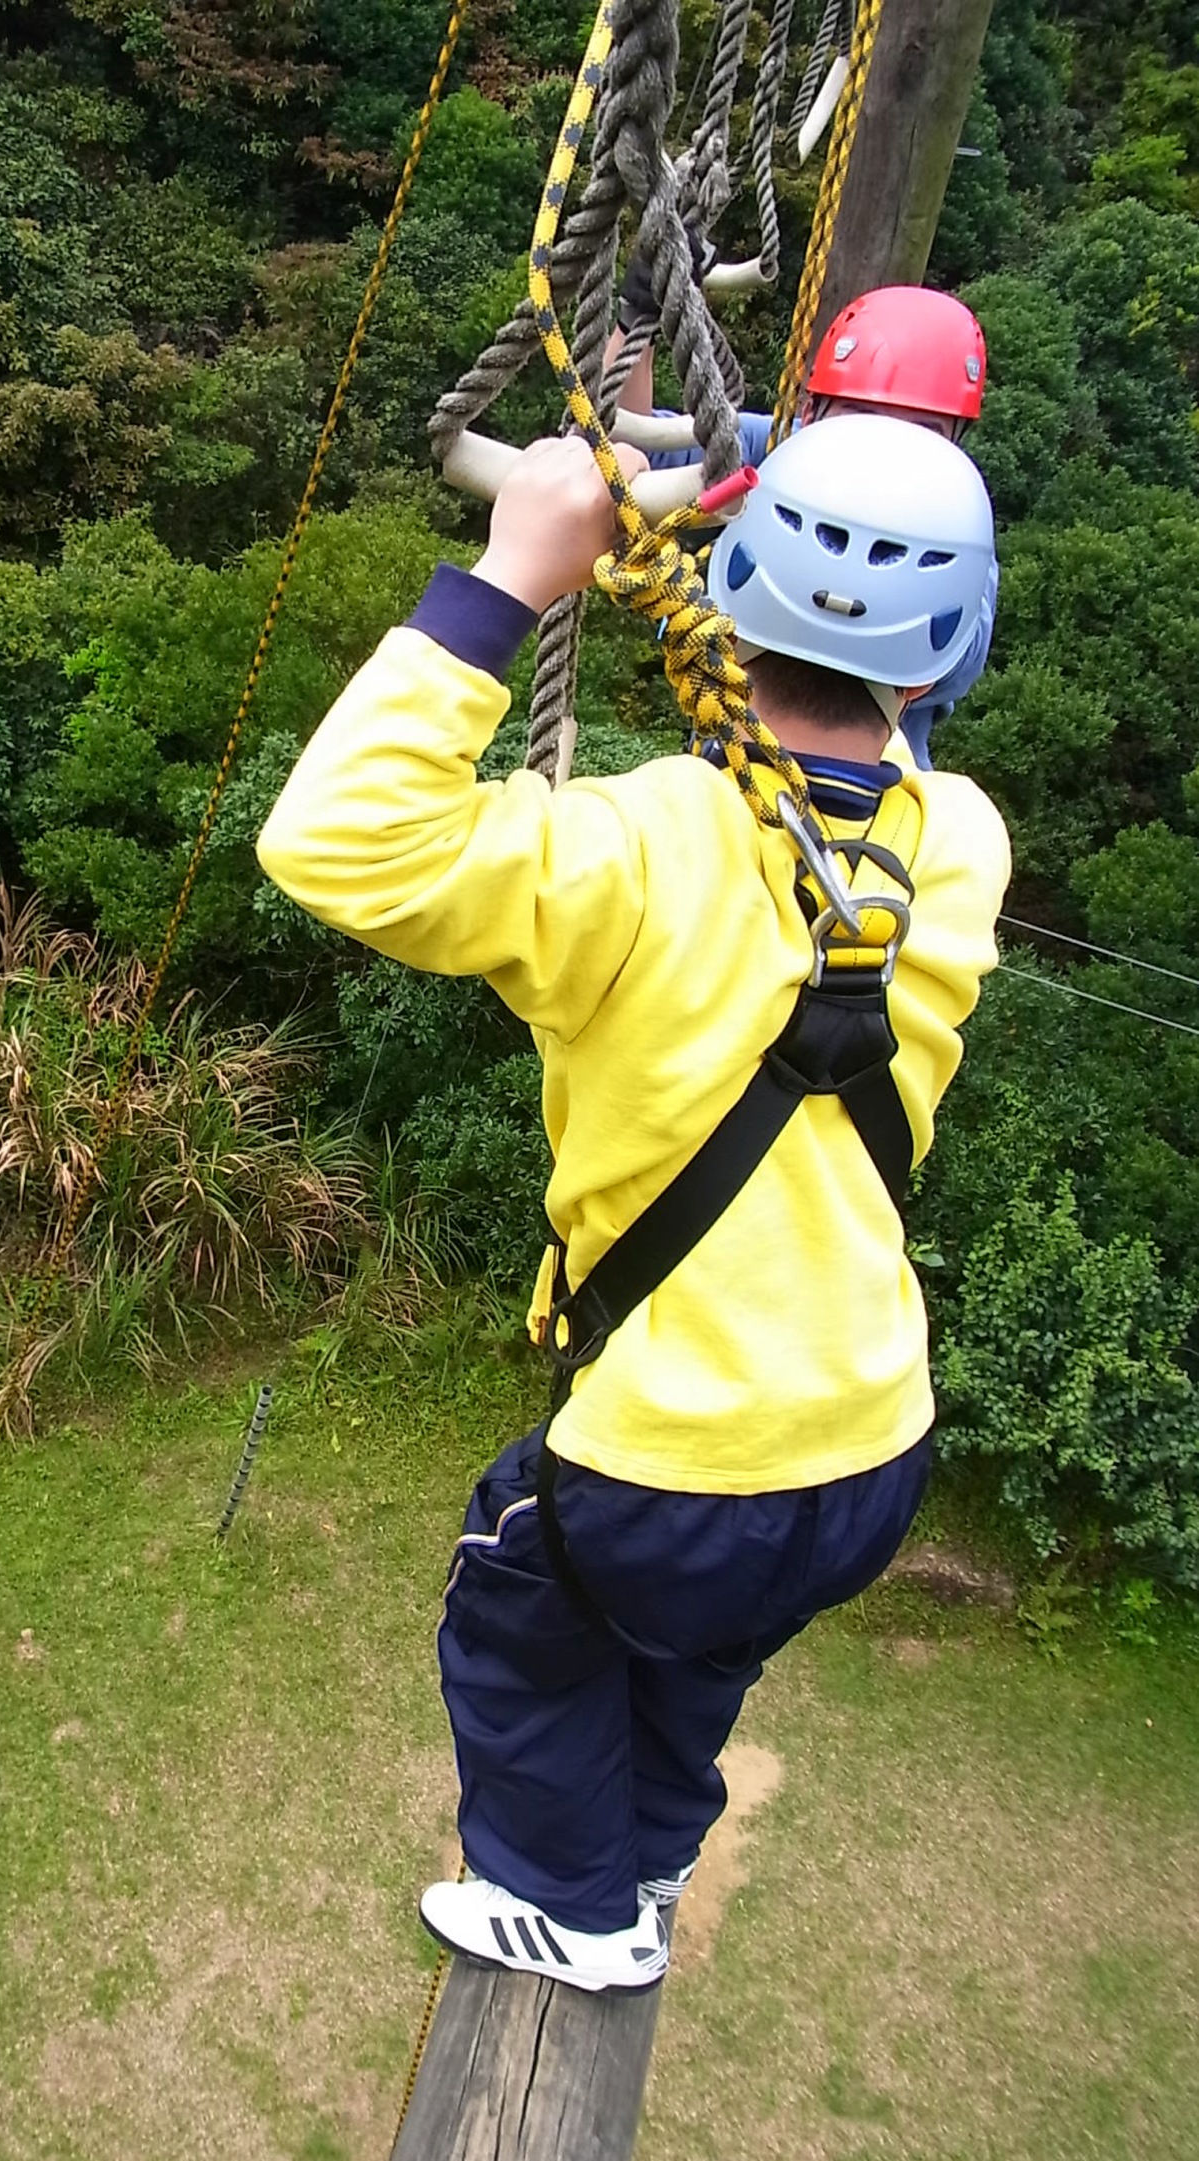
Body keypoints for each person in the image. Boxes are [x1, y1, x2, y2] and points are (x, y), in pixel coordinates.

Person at [256, 417, 1008, 1990]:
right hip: (870, 1444)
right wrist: (762, 455)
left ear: (728, 598)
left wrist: (513, 574)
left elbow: (330, 839)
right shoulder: (960, 846)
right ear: (945, 660)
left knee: (517, 1602)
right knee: (696, 1649)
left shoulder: (640, 841)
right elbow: (891, 751)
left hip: (674, 1464)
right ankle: (652, 1860)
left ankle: (572, 1905)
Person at [616, 282, 995, 768]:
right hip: (735, 775)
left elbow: (949, 665)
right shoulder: (777, 453)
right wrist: (637, 317)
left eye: (921, 433)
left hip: (871, 807)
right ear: (810, 412)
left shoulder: (954, 535)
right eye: (859, 418)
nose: (885, 453)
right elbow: (630, 440)